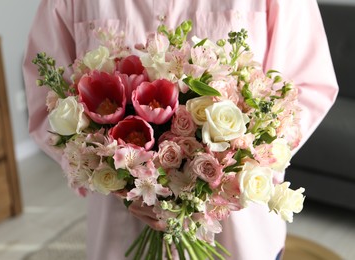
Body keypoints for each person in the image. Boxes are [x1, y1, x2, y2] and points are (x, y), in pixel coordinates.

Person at [22, 0, 339, 259]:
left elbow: (308, 86)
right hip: (121, 232)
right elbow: (46, 104)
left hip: (239, 236)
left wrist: (234, 170)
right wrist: (116, 179)